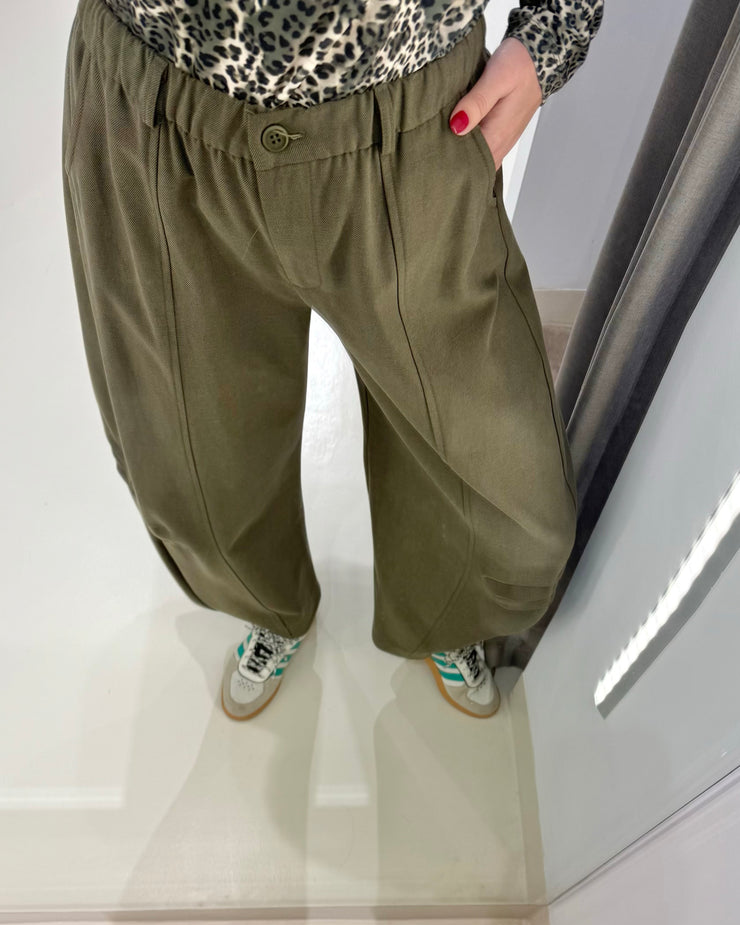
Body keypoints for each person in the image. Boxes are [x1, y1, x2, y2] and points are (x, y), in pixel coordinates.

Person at [61, 0, 604, 723]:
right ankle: (269, 607)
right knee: (196, 461)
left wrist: (552, 32)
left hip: (412, 111)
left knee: (501, 485)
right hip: (159, 100)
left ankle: (445, 613)